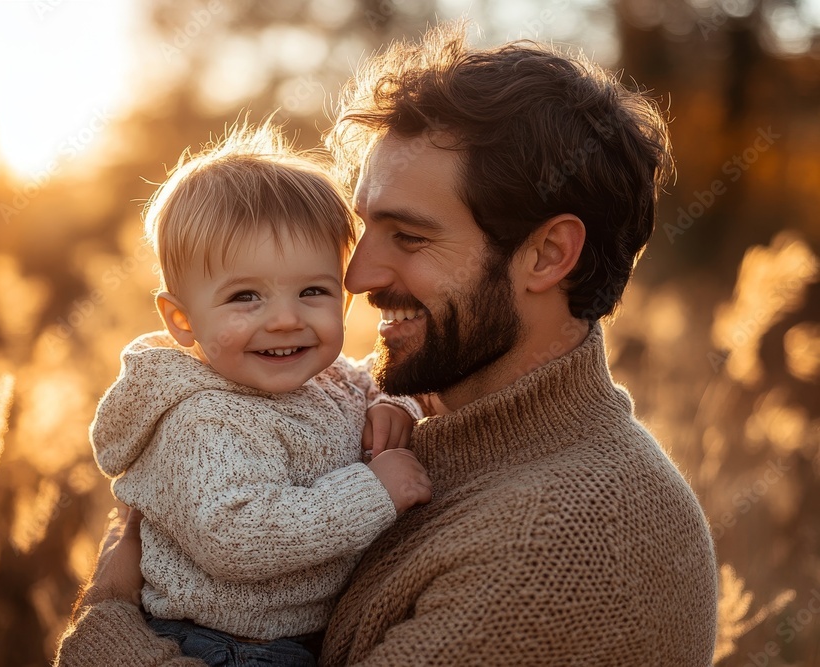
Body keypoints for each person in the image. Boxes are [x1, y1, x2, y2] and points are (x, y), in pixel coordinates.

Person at [56, 22, 718, 666]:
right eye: (365, 228)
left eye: (409, 237)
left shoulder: (559, 545)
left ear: (547, 255)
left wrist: (107, 626)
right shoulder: (436, 428)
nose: (356, 277)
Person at [84, 123, 433, 666]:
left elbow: (376, 380)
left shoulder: (331, 379)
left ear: (343, 301)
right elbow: (236, 537)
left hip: (301, 635)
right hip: (226, 644)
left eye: (312, 291)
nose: (286, 319)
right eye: (246, 296)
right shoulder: (201, 420)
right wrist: (372, 492)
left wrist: (397, 405)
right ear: (182, 320)